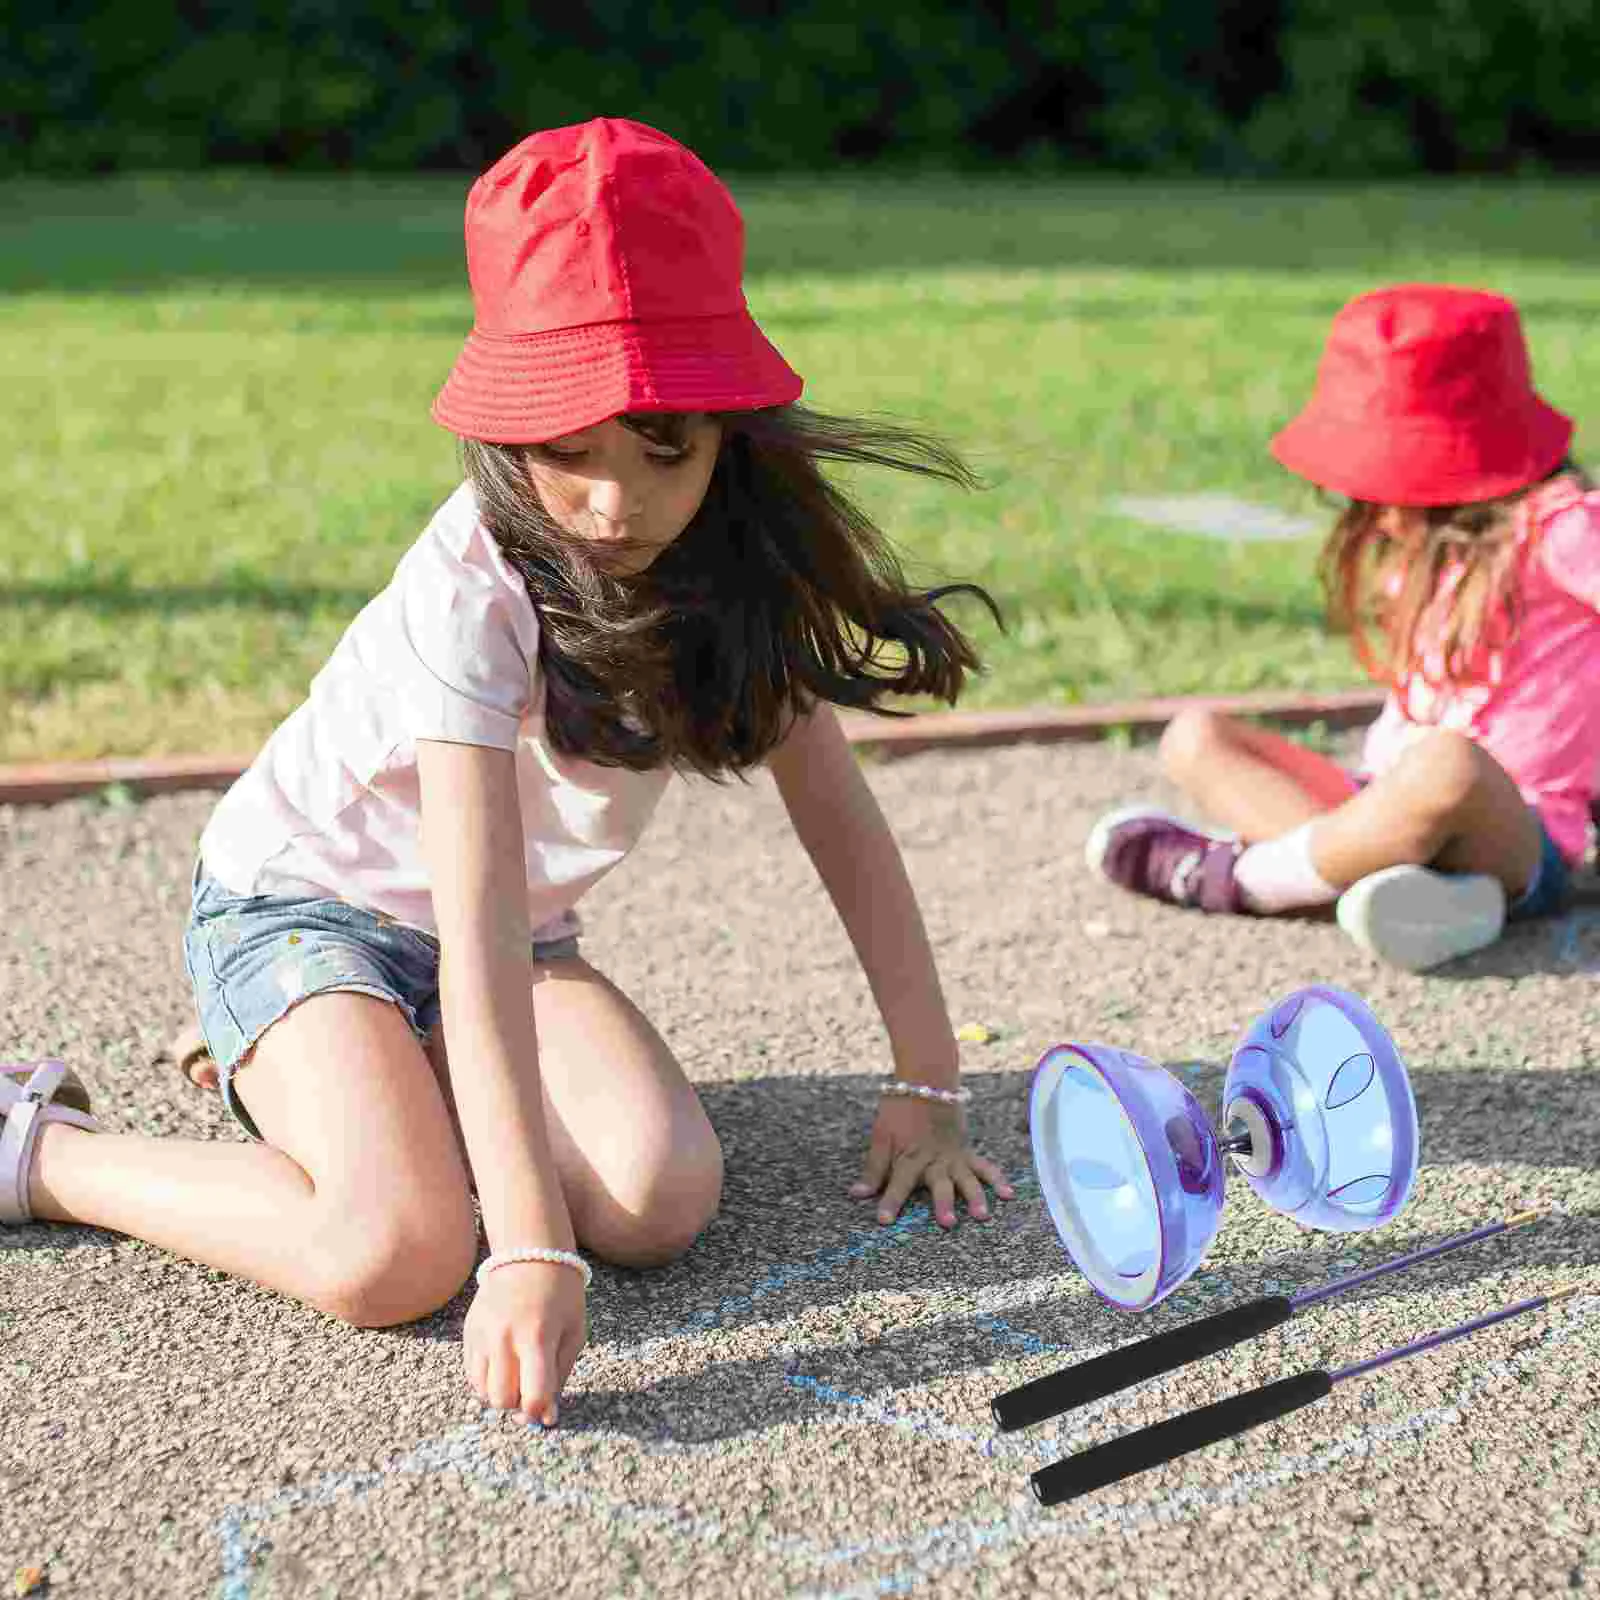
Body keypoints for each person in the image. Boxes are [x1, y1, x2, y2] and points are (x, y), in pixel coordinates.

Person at [1, 118, 1014, 1426]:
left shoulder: (734, 574)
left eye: (662, 451)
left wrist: (930, 1083)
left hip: (515, 940)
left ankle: (351, 1078)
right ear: (505, 432)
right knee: (399, 1252)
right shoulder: (472, 584)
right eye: (566, 449)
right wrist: (530, 1247)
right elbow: (467, 927)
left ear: (728, 431)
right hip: (305, 910)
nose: (607, 504)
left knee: (657, 1202)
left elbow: (844, 828)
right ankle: (47, 1154)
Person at [1087, 284, 1598, 972]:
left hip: (1514, 830)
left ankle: (1245, 880)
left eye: (1390, 481)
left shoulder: (1565, 528)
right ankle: (1414, 897)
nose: (1373, 510)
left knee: (1449, 763)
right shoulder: (1427, 546)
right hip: (1381, 800)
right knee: (1195, 736)